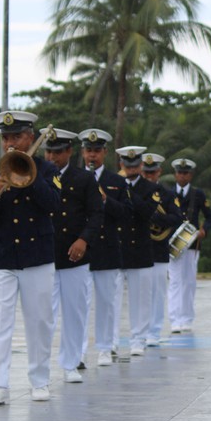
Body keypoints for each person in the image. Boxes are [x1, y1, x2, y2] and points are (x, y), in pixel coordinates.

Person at [0, 111, 62, 405]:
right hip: (3, 256)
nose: (10, 143)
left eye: (16, 136)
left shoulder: (47, 169)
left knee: (39, 321)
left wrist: (29, 178)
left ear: (31, 136)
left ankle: (39, 381)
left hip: (37, 256)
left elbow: (53, 203)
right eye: (6, 138)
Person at [44, 128, 103, 384]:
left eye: (58, 152)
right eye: (48, 151)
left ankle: (70, 363)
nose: (52, 157)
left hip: (74, 254)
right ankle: (41, 368)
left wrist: (84, 239)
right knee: (44, 315)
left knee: (75, 312)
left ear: (69, 152)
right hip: (43, 254)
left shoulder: (84, 179)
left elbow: (96, 214)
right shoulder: (36, 175)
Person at [79, 128, 130, 367]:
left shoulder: (116, 181)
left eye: (96, 151)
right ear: (82, 152)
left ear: (105, 152)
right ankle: (77, 352)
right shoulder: (76, 178)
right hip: (81, 249)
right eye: (88, 151)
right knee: (78, 304)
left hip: (108, 248)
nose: (92, 155)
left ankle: (105, 347)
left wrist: (106, 200)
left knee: (107, 302)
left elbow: (125, 214)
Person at [115, 146, 162, 356]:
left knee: (141, 300)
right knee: (112, 301)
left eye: (135, 165)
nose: (131, 169)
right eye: (127, 165)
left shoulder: (151, 188)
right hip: (117, 248)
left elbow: (146, 213)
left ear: (140, 166)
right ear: (121, 165)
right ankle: (112, 340)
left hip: (140, 249)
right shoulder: (113, 183)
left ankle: (138, 339)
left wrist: (127, 193)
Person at [141, 153, 184, 345]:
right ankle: (140, 332)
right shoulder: (133, 191)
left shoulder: (167, 194)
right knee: (139, 294)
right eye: (146, 172)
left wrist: (155, 218)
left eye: (152, 172)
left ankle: (154, 332)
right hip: (137, 248)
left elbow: (177, 219)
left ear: (159, 172)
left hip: (158, 248)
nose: (149, 176)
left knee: (157, 293)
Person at [168, 158, 211, 333]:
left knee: (189, 282)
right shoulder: (168, 193)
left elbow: (209, 217)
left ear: (191, 175)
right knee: (174, 282)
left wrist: (204, 230)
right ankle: (174, 320)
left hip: (192, 242)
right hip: (174, 243)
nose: (182, 175)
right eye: (179, 172)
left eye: (185, 173)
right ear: (175, 174)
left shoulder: (198, 194)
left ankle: (186, 318)